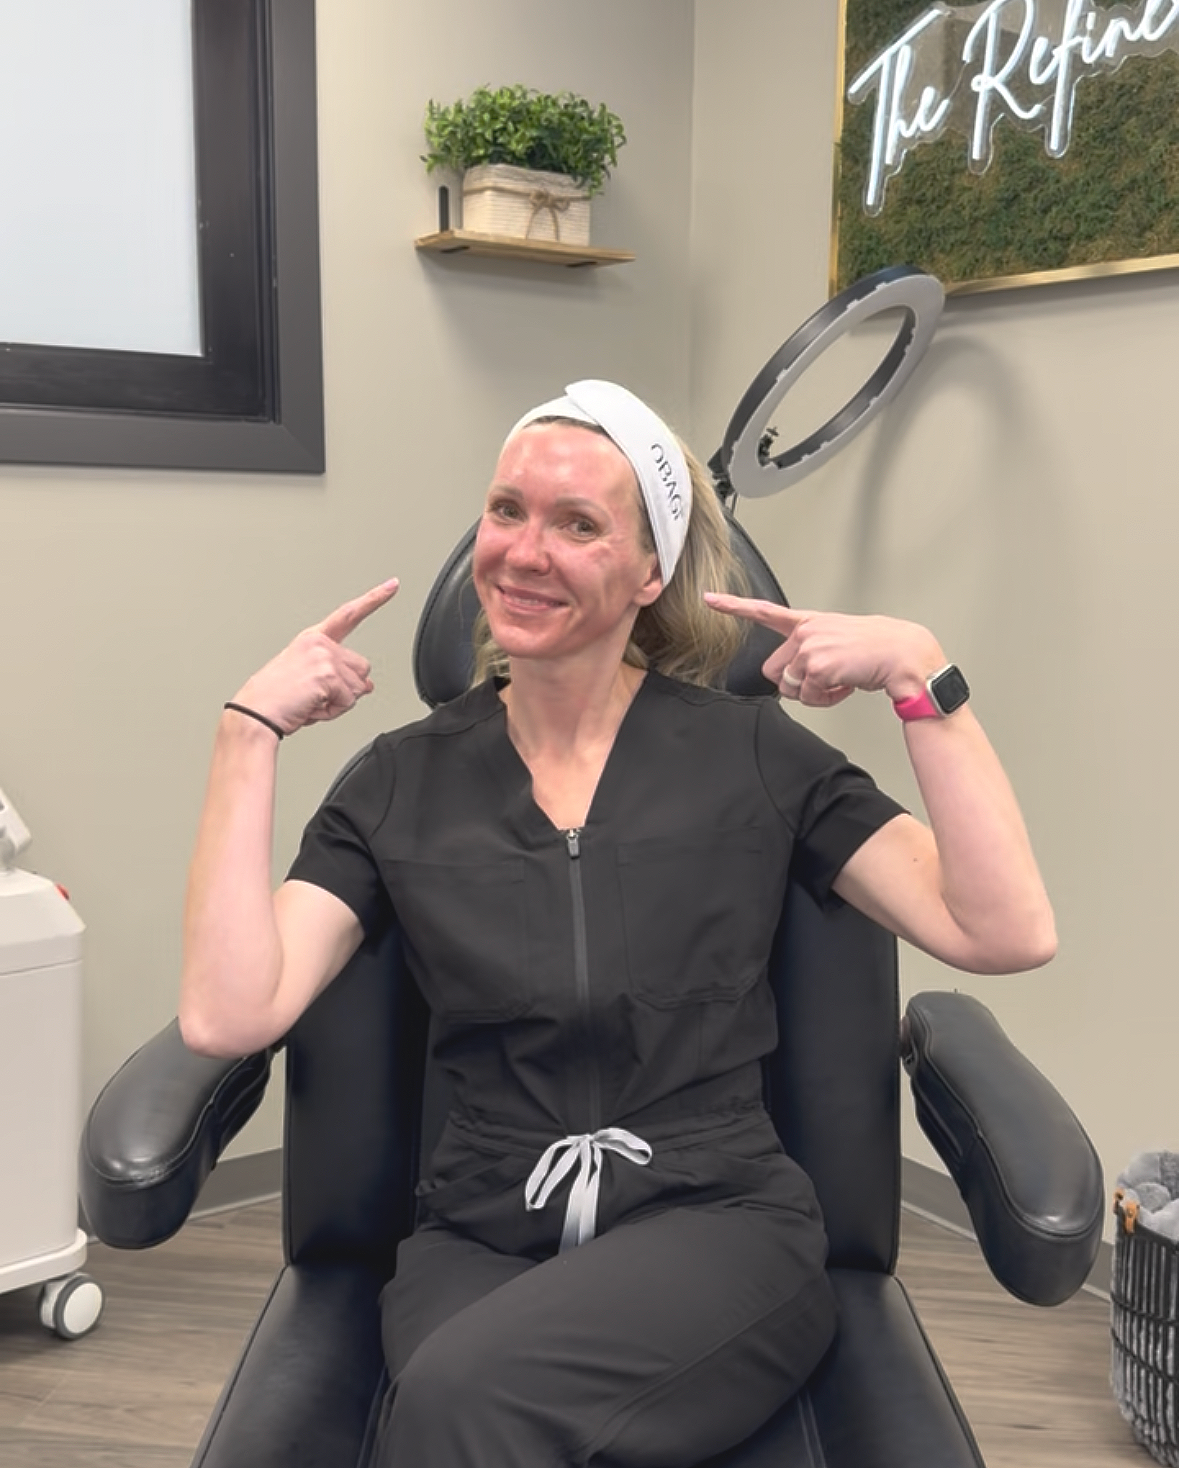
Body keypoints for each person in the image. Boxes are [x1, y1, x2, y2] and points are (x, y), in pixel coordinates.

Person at [179, 379, 1056, 1467]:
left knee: (455, 1405)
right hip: (483, 1233)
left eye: (577, 524)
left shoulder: (755, 756)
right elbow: (229, 1011)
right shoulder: (399, 781)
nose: (522, 551)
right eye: (507, 511)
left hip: (719, 1223)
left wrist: (921, 672)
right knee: (470, 1404)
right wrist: (247, 732)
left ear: (652, 573)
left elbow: (1003, 926)